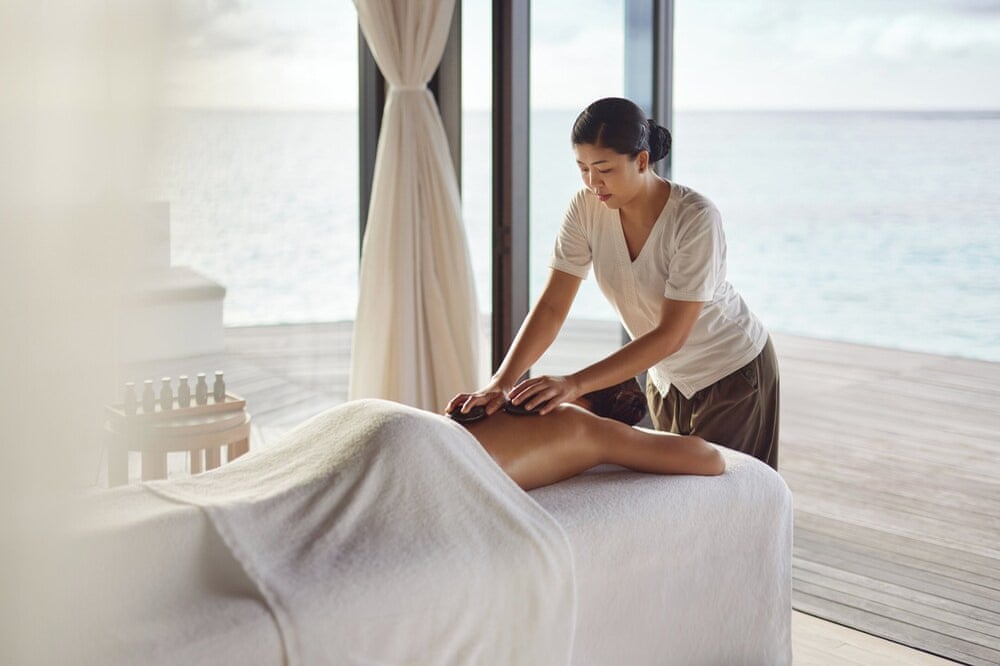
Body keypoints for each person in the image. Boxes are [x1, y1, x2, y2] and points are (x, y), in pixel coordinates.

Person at [450, 96, 780, 470]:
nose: (593, 182)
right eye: (583, 168)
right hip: (665, 378)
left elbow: (671, 335)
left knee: (731, 489)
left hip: (731, 373)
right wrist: (502, 381)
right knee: (678, 490)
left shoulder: (694, 217)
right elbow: (552, 306)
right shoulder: (585, 209)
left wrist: (574, 384)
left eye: (604, 169)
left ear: (641, 160)